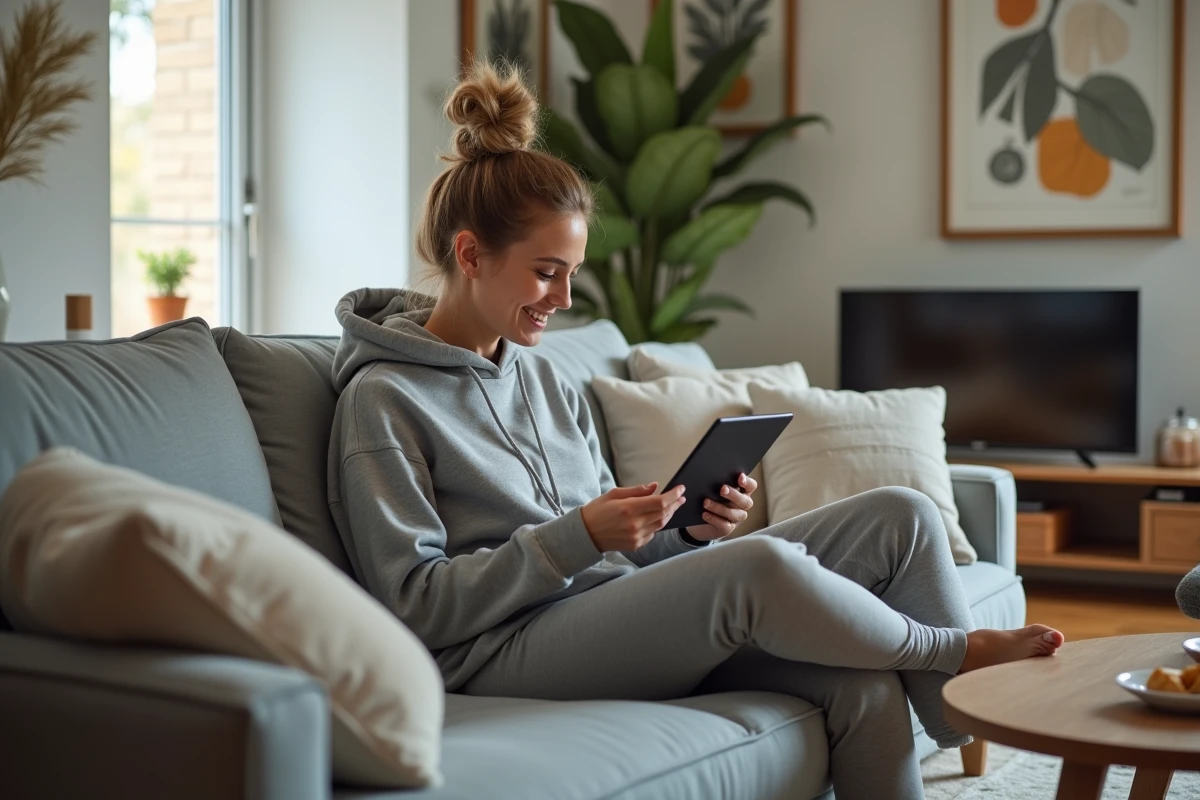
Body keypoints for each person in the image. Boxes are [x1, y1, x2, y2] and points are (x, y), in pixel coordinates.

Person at [327, 63, 1065, 800]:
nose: (563, 298)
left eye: (572, 273)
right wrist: (577, 536)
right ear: (469, 254)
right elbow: (414, 607)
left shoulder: (540, 377)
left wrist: (687, 536)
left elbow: (614, 558)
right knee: (761, 571)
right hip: (497, 649)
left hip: (603, 612)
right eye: (547, 272)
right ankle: (955, 654)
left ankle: (952, 719)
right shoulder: (383, 399)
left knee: (897, 526)